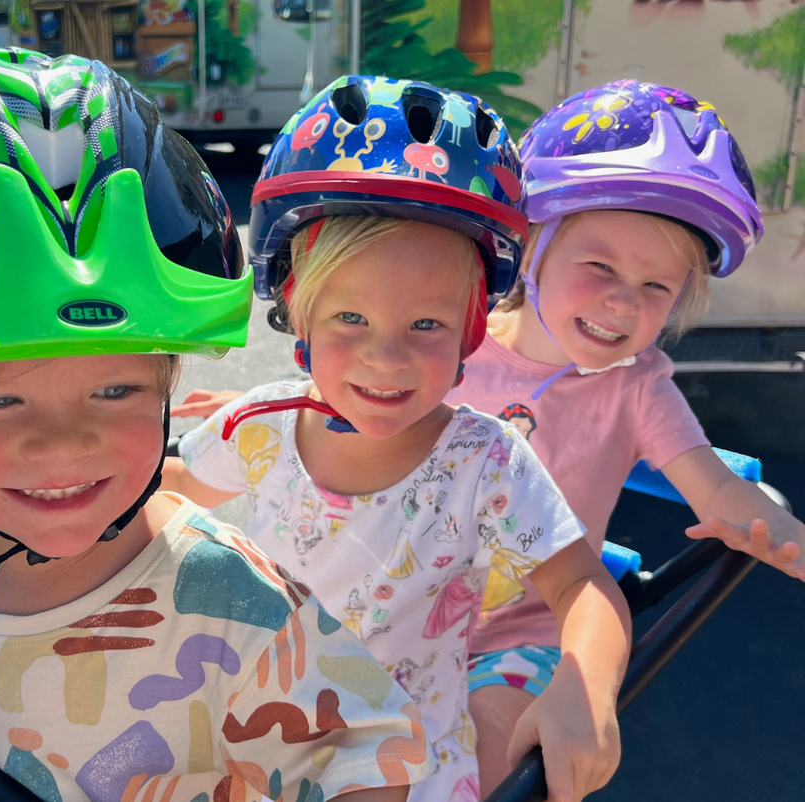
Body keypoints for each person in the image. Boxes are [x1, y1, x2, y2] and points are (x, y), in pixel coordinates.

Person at [0, 51, 436, 802]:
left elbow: (365, 747)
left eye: (116, 388)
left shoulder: (222, 596)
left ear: (165, 388)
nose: (65, 444)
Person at [173, 80, 805, 797]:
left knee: (499, 763)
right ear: (530, 250)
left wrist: (779, 531)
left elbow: (708, 490)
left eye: (657, 288)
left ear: (460, 325)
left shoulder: (600, 402)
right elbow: (359, 400)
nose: (623, 300)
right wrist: (276, 408)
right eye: (599, 267)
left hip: (516, 627)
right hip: (389, 621)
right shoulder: (444, 358)